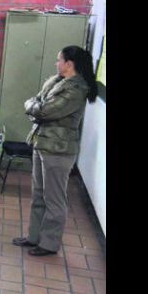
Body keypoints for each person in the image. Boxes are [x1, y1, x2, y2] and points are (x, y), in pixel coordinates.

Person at [12, 45, 98, 256]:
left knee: (54, 199)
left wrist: (31, 106)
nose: (56, 63)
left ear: (69, 64)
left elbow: (44, 110)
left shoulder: (76, 89)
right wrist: (34, 106)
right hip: (42, 143)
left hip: (58, 150)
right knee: (39, 194)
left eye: (59, 60)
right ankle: (34, 237)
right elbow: (38, 104)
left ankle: (49, 244)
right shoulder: (57, 82)